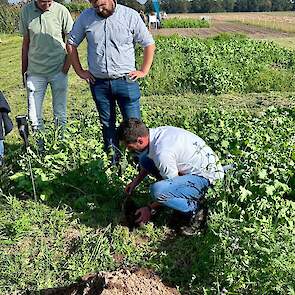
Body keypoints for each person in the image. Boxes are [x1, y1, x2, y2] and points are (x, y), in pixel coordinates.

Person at [67, 0, 155, 162]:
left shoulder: (130, 16)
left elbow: (148, 43)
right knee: (107, 124)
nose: (99, 9)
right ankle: (113, 162)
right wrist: (79, 71)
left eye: (102, 5)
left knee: (134, 126)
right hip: (99, 83)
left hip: (126, 81)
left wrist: (144, 70)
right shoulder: (86, 17)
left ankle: (139, 164)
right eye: (95, 6)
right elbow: (71, 43)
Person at [117, 118, 225, 235]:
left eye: (130, 147)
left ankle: (196, 209)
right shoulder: (157, 134)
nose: (129, 150)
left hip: (209, 181)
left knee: (157, 191)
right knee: (144, 160)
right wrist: (135, 182)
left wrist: (150, 209)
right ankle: (183, 199)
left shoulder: (162, 153)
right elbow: (151, 159)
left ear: (140, 140)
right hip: (202, 169)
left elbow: (170, 187)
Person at [19, 0, 73, 132]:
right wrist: (24, 71)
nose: (47, 5)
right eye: (43, 2)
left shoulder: (61, 11)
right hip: (35, 72)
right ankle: (40, 148)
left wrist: (65, 68)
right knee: (34, 116)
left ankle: (61, 145)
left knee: (60, 113)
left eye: (49, 1)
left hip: (58, 70)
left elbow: (72, 41)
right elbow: (25, 44)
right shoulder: (26, 11)